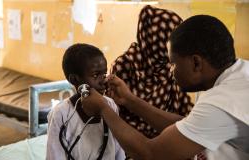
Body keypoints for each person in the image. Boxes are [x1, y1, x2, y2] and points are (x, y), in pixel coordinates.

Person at [81, 15, 249, 160]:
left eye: (173, 63)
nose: (170, 71)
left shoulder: (222, 102)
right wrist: (130, 100)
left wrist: (103, 108)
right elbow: (188, 127)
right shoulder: (237, 74)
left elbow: (150, 153)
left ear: (196, 63)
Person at [111, 5, 193, 139]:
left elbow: (183, 107)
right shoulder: (125, 65)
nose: (182, 47)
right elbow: (114, 114)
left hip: (167, 138)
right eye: (175, 40)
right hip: (131, 144)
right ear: (155, 37)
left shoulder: (169, 66)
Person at [46, 43, 125, 160]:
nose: (103, 81)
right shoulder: (61, 114)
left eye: (104, 74)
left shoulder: (110, 105)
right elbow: (54, 155)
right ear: (74, 79)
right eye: (95, 75)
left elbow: (118, 149)